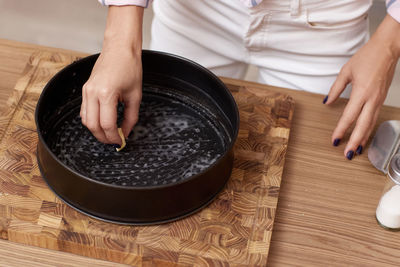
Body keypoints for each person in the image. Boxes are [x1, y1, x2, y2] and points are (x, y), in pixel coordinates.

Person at [81, 0, 400, 160]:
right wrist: (120, 34)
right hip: (196, 10)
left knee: (314, 169)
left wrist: (389, 43)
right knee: (164, 143)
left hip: (324, 21)